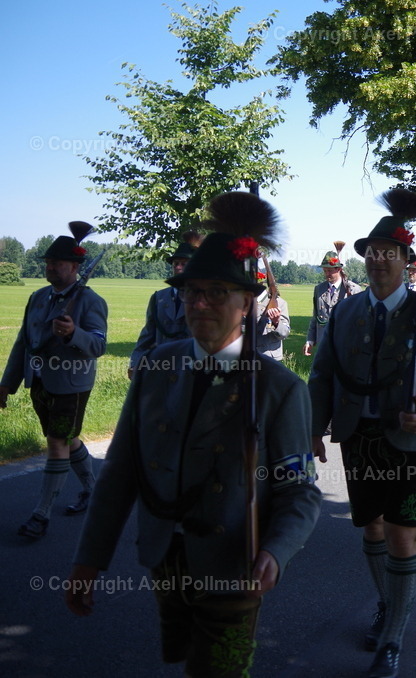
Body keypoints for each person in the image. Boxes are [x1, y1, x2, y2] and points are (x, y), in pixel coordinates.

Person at [65, 192, 321, 678]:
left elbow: (298, 491)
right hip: (165, 561)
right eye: (191, 292)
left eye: (216, 292)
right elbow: (120, 471)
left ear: (247, 301)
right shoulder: (158, 367)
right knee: (186, 660)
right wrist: (88, 560)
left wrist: (276, 550)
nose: (199, 303)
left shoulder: (279, 389)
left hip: (236, 565)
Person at [308, 188, 416, 678]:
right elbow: (323, 375)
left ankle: (393, 635)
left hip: (413, 443)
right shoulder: (345, 313)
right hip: (359, 437)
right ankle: (387, 603)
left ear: (406, 262)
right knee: (371, 528)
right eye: (371, 253)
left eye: (386, 254)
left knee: (403, 535)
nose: (376, 261)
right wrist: (314, 428)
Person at [1, 228, 108, 539]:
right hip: (39, 381)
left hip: (71, 384)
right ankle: (94, 490)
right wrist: (6, 383)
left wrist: (73, 334)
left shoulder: (90, 301)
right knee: (66, 437)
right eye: (47, 262)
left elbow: (99, 346)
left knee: (57, 443)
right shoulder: (37, 298)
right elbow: (24, 342)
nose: (50, 268)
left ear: (74, 268)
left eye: (57, 263)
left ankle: (41, 514)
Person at [129, 232, 202, 378]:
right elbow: (147, 335)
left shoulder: (203, 298)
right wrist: (135, 362)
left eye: (184, 263)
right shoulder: (159, 298)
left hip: (192, 371)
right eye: (176, 264)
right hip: (161, 369)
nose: (178, 267)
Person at [304, 246, 361, 356]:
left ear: (338, 269)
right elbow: (315, 317)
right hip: (323, 345)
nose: (327, 274)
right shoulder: (319, 289)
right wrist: (310, 340)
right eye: (325, 271)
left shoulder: (353, 289)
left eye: (330, 270)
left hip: (345, 345)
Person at [253, 273, 290, 361]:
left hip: (269, 358)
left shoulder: (280, 303)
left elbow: (285, 333)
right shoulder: (241, 303)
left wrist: (276, 322)